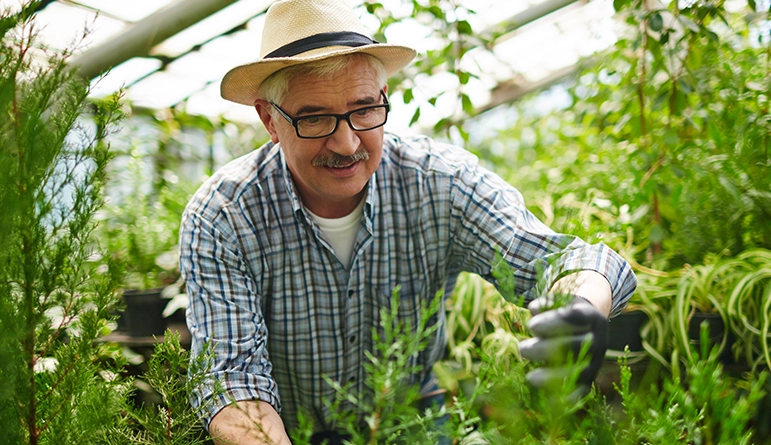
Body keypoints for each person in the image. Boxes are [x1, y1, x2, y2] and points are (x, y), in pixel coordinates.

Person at [178, 0, 637, 444]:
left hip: (412, 425)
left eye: (363, 109)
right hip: (288, 431)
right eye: (314, 118)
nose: (346, 142)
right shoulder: (224, 215)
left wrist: (582, 305)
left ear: (383, 97)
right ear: (269, 120)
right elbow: (233, 378)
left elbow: (559, 259)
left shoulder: (438, 182)